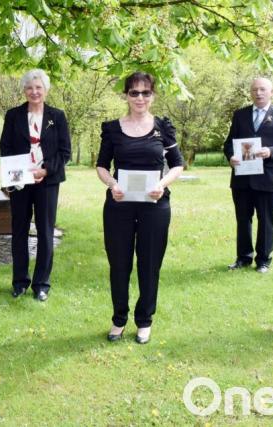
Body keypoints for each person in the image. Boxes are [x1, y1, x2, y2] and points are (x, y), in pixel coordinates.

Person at [96, 72, 184, 344]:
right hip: (119, 206)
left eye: (146, 92)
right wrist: (112, 184)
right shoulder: (112, 129)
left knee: (149, 264)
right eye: (134, 92)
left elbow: (178, 164)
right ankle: (119, 319)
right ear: (126, 95)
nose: (140, 98)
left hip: (154, 207)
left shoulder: (163, 127)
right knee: (119, 264)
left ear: (153, 96)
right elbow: (101, 166)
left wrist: (162, 183)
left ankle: (144, 321)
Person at [0, 69, 72, 302]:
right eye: (30, 88)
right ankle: (19, 282)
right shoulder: (13, 115)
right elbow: (5, 148)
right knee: (19, 230)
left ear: (46, 90)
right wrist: (15, 175)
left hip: (47, 182)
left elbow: (65, 152)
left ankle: (41, 285)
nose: (34, 92)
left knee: (45, 232)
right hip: (20, 182)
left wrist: (46, 170)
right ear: (24, 90)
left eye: (38, 87)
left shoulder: (57, 116)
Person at [223, 78, 273, 273]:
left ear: (272, 92)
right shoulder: (240, 115)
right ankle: (243, 258)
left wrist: (271, 151)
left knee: (266, 220)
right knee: (243, 219)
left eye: (262, 89)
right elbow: (229, 143)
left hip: (267, 179)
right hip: (241, 179)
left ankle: (263, 260)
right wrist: (231, 156)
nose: (258, 93)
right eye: (254, 90)